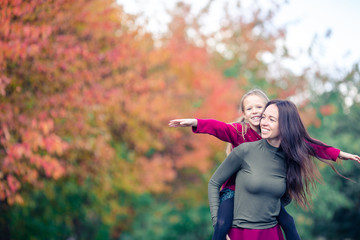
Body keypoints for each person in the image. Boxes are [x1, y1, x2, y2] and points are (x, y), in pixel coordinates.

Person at [168, 89, 360, 240]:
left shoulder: (272, 133)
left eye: (260, 108)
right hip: (234, 190)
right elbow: (219, 127)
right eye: (249, 109)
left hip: (262, 198)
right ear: (243, 113)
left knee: (288, 221)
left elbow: (310, 146)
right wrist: (195, 122)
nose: (256, 113)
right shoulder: (239, 132)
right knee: (222, 223)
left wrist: (339, 154)